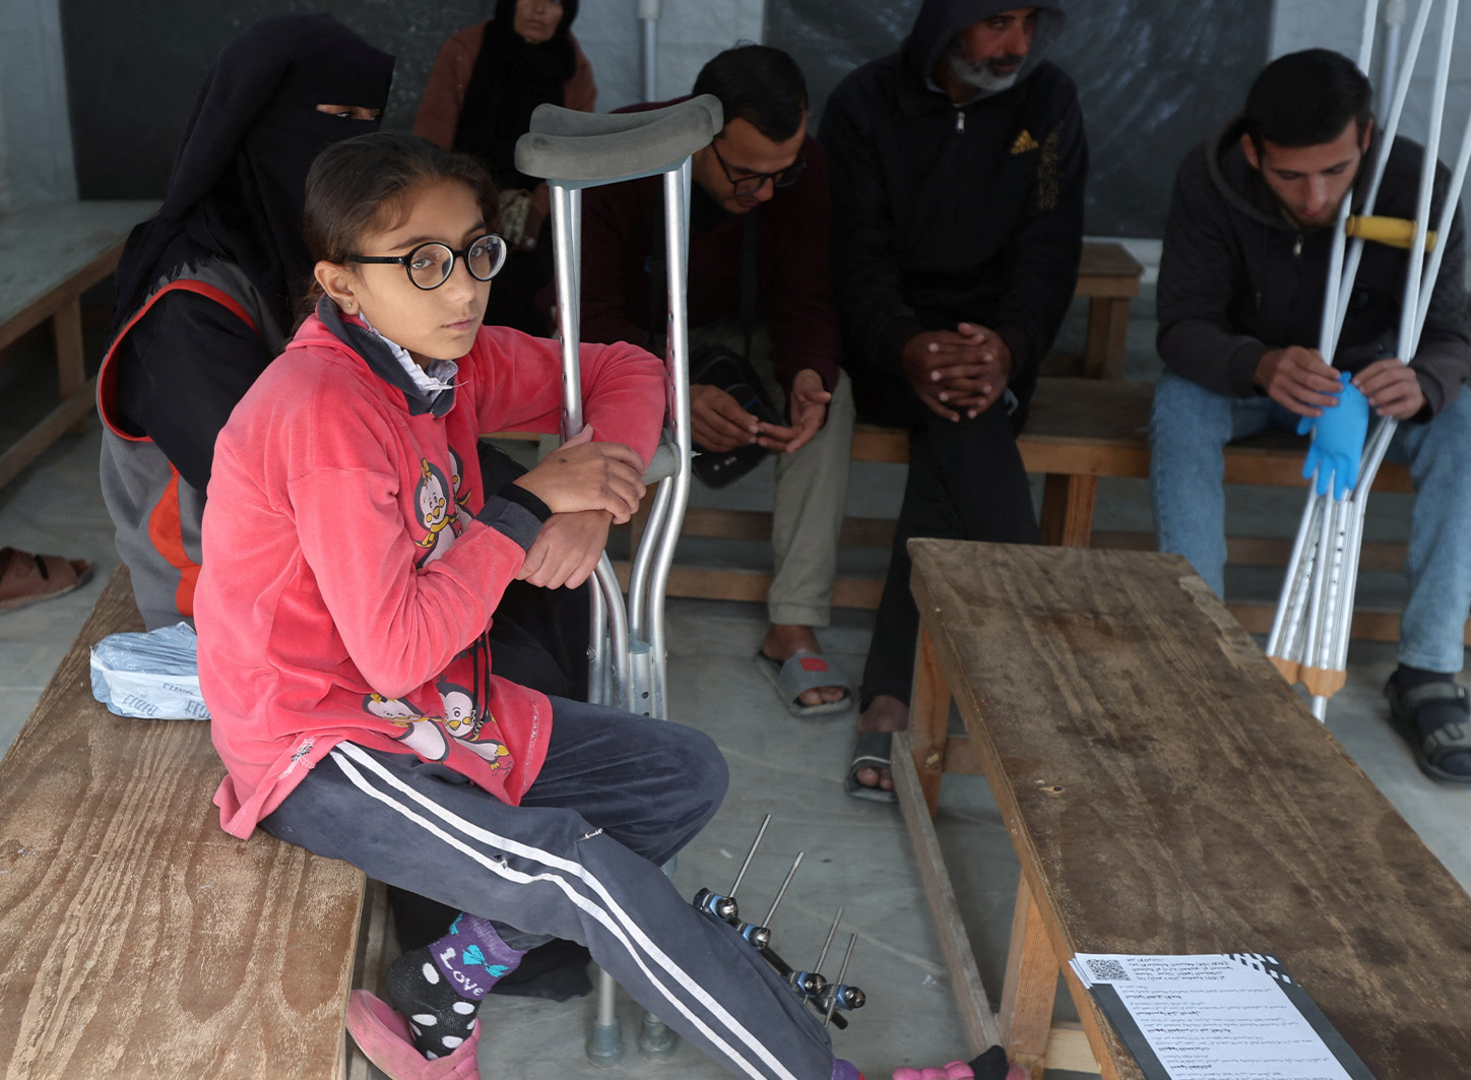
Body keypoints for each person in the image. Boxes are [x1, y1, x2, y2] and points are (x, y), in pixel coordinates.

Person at [194, 129, 872, 1080]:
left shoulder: (444, 363)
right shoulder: (325, 413)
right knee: (581, 872)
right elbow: (394, 650)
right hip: (323, 742)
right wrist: (524, 506)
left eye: (476, 250)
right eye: (421, 262)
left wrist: (590, 502)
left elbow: (628, 369)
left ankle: (450, 979)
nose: (463, 290)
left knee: (680, 773)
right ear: (341, 284)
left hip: (430, 707)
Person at [1153, 49, 1471, 786]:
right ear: (1252, 151)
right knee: (1179, 404)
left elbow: (1452, 334)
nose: (1314, 198)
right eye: (1289, 176)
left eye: (1336, 170)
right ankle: (1197, 651)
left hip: (1370, 381)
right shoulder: (1208, 177)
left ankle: (1429, 669)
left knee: (1462, 427)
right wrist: (1257, 363)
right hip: (1249, 373)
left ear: (1367, 137)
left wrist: (1422, 380)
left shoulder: (1421, 183)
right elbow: (1181, 326)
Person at [821, 2, 1085, 800]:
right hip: (888, 346)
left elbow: (1049, 247)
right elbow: (853, 255)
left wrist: (1007, 346)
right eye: (997, 22)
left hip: (996, 350)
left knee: (961, 424)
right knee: (965, 429)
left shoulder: (1048, 101)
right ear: (946, 21)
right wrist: (907, 342)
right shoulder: (864, 104)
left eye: (1030, 22)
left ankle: (891, 698)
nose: (1018, 46)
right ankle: (1044, 689)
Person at [579, 45, 859, 721]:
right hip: (628, 344)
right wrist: (671, 388)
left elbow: (805, 294)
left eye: (781, 175)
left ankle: (792, 620)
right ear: (700, 132)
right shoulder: (620, 155)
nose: (765, 194)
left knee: (834, 394)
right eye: (748, 175)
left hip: (736, 336)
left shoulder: (801, 171)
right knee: (566, 397)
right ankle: (576, 615)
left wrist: (807, 371)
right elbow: (588, 315)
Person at [98, 13, 392, 633]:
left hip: (340, 563)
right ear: (261, 121)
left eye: (372, 121)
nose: (357, 148)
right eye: (340, 117)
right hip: (227, 607)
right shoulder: (186, 303)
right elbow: (268, 490)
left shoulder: (315, 258)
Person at [415, 0, 594, 335]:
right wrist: (475, 202)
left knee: (539, 300)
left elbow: (577, 150)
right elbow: (432, 144)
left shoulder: (571, 64)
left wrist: (538, 206)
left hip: (543, 211)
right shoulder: (466, 49)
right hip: (464, 200)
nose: (539, 9)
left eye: (554, 1)